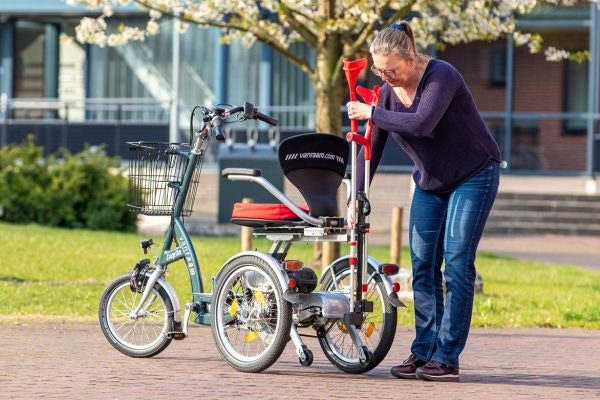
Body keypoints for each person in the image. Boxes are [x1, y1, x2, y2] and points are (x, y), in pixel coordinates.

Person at [346, 20, 501, 382]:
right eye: (379, 71)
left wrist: (371, 112)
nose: (386, 77)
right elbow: (373, 148)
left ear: (410, 57)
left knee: (458, 260)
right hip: (431, 182)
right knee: (423, 265)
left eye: (392, 70)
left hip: (475, 173)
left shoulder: (441, 76)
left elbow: (422, 122)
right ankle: (424, 351)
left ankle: (447, 357)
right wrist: (357, 193)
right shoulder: (386, 93)